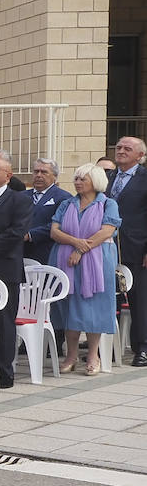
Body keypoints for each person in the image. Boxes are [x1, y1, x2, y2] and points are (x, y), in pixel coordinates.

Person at [52, 163, 122, 375]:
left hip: (98, 262)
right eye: (76, 178)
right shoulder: (66, 204)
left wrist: (80, 250)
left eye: (83, 179)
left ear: (96, 181)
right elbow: (54, 231)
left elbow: (106, 231)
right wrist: (75, 242)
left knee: (94, 307)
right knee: (69, 306)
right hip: (66, 260)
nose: (78, 182)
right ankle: (71, 355)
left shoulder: (108, 204)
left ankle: (93, 355)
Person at [0, 153, 33, 389]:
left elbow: (15, 233)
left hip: (4, 267)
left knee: (3, 321)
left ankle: (4, 373)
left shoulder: (19, 199)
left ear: (8, 176)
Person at [107, 136, 147, 366]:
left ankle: (142, 347)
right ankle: (108, 346)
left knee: (139, 300)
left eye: (127, 148)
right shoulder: (109, 177)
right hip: (110, 248)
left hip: (137, 248)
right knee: (110, 297)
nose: (120, 150)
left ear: (140, 156)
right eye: (119, 146)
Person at [24, 158, 73, 264]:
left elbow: (61, 223)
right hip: (21, 252)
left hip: (47, 252)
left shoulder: (64, 197)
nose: (39, 175)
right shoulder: (21, 196)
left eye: (44, 172)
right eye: (36, 171)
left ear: (54, 176)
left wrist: (30, 234)